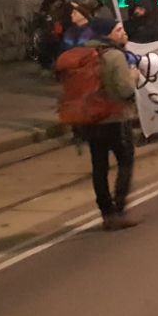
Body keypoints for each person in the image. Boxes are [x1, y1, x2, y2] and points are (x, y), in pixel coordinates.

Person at [55, 17, 140, 231]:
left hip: (91, 120)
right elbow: (125, 90)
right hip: (115, 118)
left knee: (99, 167)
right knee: (126, 161)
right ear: (107, 33)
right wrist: (134, 77)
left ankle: (106, 213)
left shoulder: (85, 54)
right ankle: (119, 210)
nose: (122, 33)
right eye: (118, 30)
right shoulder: (115, 56)